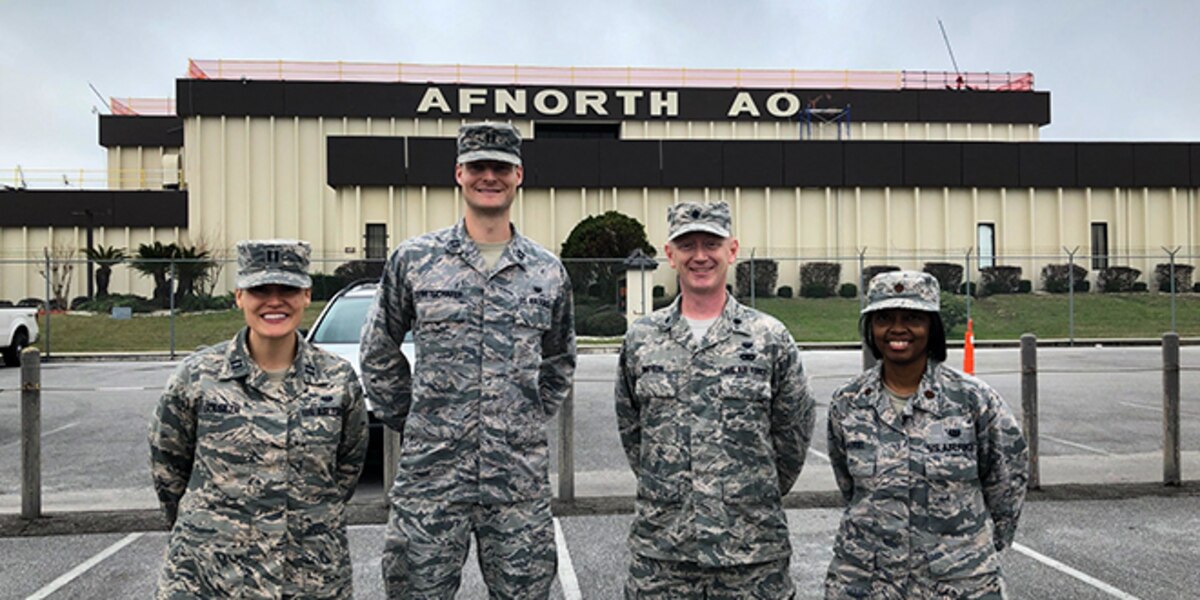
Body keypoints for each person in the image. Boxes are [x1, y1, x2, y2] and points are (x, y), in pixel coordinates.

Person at [360, 121, 576, 599]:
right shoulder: (415, 260)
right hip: (432, 479)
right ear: (459, 173)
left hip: (516, 482)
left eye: (501, 167)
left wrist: (523, 418)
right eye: (478, 166)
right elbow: (378, 347)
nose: (489, 176)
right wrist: (413, 416)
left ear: (519, 175)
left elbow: (559, 358)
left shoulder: (546, 271)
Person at [615, 201, 816, 599]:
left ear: (733, 250)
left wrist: (746, 496)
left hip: (752, 553)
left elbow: (793, 435)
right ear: (670, 255)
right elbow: (633, 433)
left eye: (712, 243)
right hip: (664, 553)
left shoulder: (769, 338)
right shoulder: (642, 339)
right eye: (687, 245)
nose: (700, 256)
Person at [149, 239, 368, 599]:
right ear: (239, 296)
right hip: (210, 575)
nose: (274, 300)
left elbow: (346, 469)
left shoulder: (338, 379)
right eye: (260, 289)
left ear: (306, 295)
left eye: (288, 289)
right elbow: (169, 470)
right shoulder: (197, 376)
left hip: (308, 575)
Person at [825, 270, 1029, 599]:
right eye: (884, 318)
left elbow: (1008, 482)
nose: (897, 329)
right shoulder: (849, 403)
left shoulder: (973, 400)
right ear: (871, 328)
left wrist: (972, 553)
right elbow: (849, 485)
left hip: (958, 583)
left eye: (912, 318)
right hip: (866, 581)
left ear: (931, 327)